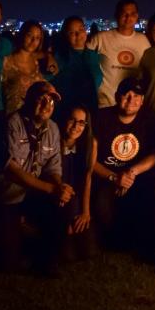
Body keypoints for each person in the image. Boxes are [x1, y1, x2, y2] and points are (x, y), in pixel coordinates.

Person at [0, 81, 72, 275]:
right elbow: (11, 171)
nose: (47, 106)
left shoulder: (53, 128)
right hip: (7, 193)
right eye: (41, 99)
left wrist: (59, 188)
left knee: (62, 203)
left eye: (52, 102)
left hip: (33, 191)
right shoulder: (13, 123)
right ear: (27, 100)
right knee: (7, 262)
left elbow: (53, 167)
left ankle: (46, 260)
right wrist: (51, 189)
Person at [90, 76, 155, 247]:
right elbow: (89, 160)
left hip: (135, 177)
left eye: (136, 96)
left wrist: (131, 173)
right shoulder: (101, 117)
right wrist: (114, 178)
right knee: (102, 207)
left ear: (142, 100)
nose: (131, 100)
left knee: (144, 206)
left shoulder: (150, 120)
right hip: (106, 177)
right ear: (116, 96)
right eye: (126, 95)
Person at [88, 0, 150, 108]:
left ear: (137, 17)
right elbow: (81, 57)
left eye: (132, 14)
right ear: (116, 15)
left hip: (131, 106)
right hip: (105, 104)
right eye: (124, 13)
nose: (128, 17)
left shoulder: (143, 41)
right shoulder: (101, 38)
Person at [59, 105, 98, 263]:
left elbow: (88, 178)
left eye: (81, 122)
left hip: (77, 198)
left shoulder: (90, 144)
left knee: (89, 252)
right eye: (72, 120)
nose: (76, 126)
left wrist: (86, 212)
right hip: (58, 197)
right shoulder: (55, 139)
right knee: (68, 256)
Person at [50, 16, 101, 115]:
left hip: (89, 109)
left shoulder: (93, 55)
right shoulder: (58, 57)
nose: (78, 34)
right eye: (72, 32)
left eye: (81, 30)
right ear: (65, 35)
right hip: (66, 111)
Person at [1, 20, 53, 116]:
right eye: (29, 35)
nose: (33, 41)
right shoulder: (6, 62)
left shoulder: (39, 62)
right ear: (22, 35)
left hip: (35, 119)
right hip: (12, 119)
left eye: (37, 38)